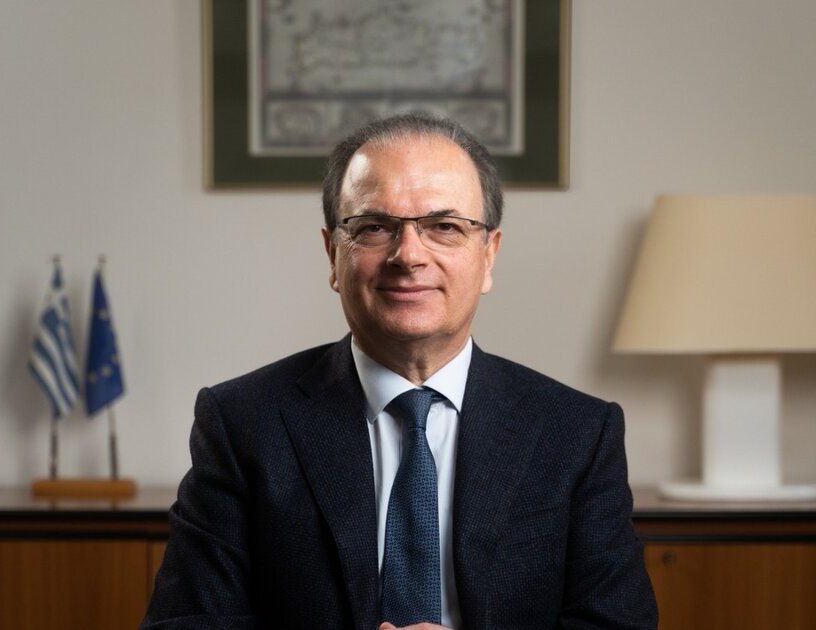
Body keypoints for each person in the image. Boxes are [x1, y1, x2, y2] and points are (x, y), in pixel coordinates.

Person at [141, 114, 657, 630]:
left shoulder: (578, 433)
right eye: (374, 227)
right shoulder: (240, 423)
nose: (408, 256)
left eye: (445, 227)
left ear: (489, 256)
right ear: (333, 255)